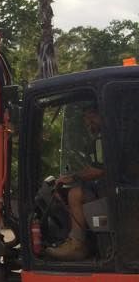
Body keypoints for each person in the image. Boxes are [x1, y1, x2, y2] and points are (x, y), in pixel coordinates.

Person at [45, 105, 103, 261]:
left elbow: (98, 171)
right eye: (85, 118)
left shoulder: (103, 138)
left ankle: (77, 244)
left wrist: (73, 177)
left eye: (92, 116)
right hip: (109, 187)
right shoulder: (101, 138)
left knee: (75, 194)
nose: (88, 121)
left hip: (112, 191)